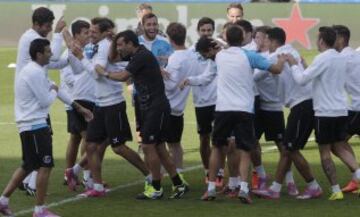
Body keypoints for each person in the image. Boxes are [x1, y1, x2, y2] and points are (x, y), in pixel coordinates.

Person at [94, 30, 189, 200]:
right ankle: (178, 184)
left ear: (131, 44)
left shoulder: (141, 56)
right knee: (159, 148)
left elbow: (123, 76)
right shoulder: (136, 54)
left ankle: (156, 188)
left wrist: (105, 73)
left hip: (156, 107)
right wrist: (115, 39)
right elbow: (112, 58)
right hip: (149, 107)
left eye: (122, 44)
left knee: (147, 146)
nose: (119, 48)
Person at [69, 18, 150, 197]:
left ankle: (150, 175)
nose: (90, 34)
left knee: (118, 147)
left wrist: (81, 57)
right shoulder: (101, 45)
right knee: (90, 145)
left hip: (112, 103)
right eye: (89, 31)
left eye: (94, 32)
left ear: (105, 33)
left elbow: (97, 74)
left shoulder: (105, 46)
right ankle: (97, 187)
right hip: (101, 103)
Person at [286, 26, 360, 200]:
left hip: (324, 112)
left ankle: (335, 190)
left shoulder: (322, 58)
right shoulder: (341, 59)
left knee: (325, 152)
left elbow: (302, 80)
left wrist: (293, 65)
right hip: (341, 110)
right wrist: (305, 66)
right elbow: (322, 77)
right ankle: (357, 175)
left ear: (321, 41)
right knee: (340, 146)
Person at [0, 39, 67, 217]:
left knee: (28, 165)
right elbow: (45, 100)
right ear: (39, 54)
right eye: (47, 51)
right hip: (36, 125)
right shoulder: (35, 72)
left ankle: (3, 201)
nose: (51, 54)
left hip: (27, 125)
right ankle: (40, 210)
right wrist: (54, 88)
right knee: (45, 166)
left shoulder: (32, 70)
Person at [253, 27, 321, 200]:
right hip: (305, 104)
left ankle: (313, 185)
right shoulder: (292, 51)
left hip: (302, 106)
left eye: (266, 40)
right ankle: (275, 189)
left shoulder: (274, 56)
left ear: (273, 41)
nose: (265, 44)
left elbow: (255, 76)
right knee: (287, 148)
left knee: (290, 149)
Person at [186, 17, 217, 183]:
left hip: (220, 101)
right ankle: (207, 170)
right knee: (204, 138)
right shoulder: (192, 51)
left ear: (213, 31)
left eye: (209, 30)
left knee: (220, 140)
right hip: (201, 101)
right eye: (203, 30)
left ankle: (218, 172)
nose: (206, 33)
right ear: (198, 31)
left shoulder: (219, 49)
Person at [332, 25, 360, 194]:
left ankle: (357, 176)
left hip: (357, 108)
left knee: (336, 142)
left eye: (332, 37)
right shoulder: (355, 55)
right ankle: (356, 178)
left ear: (341, 39)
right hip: (354, 107)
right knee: (339, 141)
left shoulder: (341, 59)